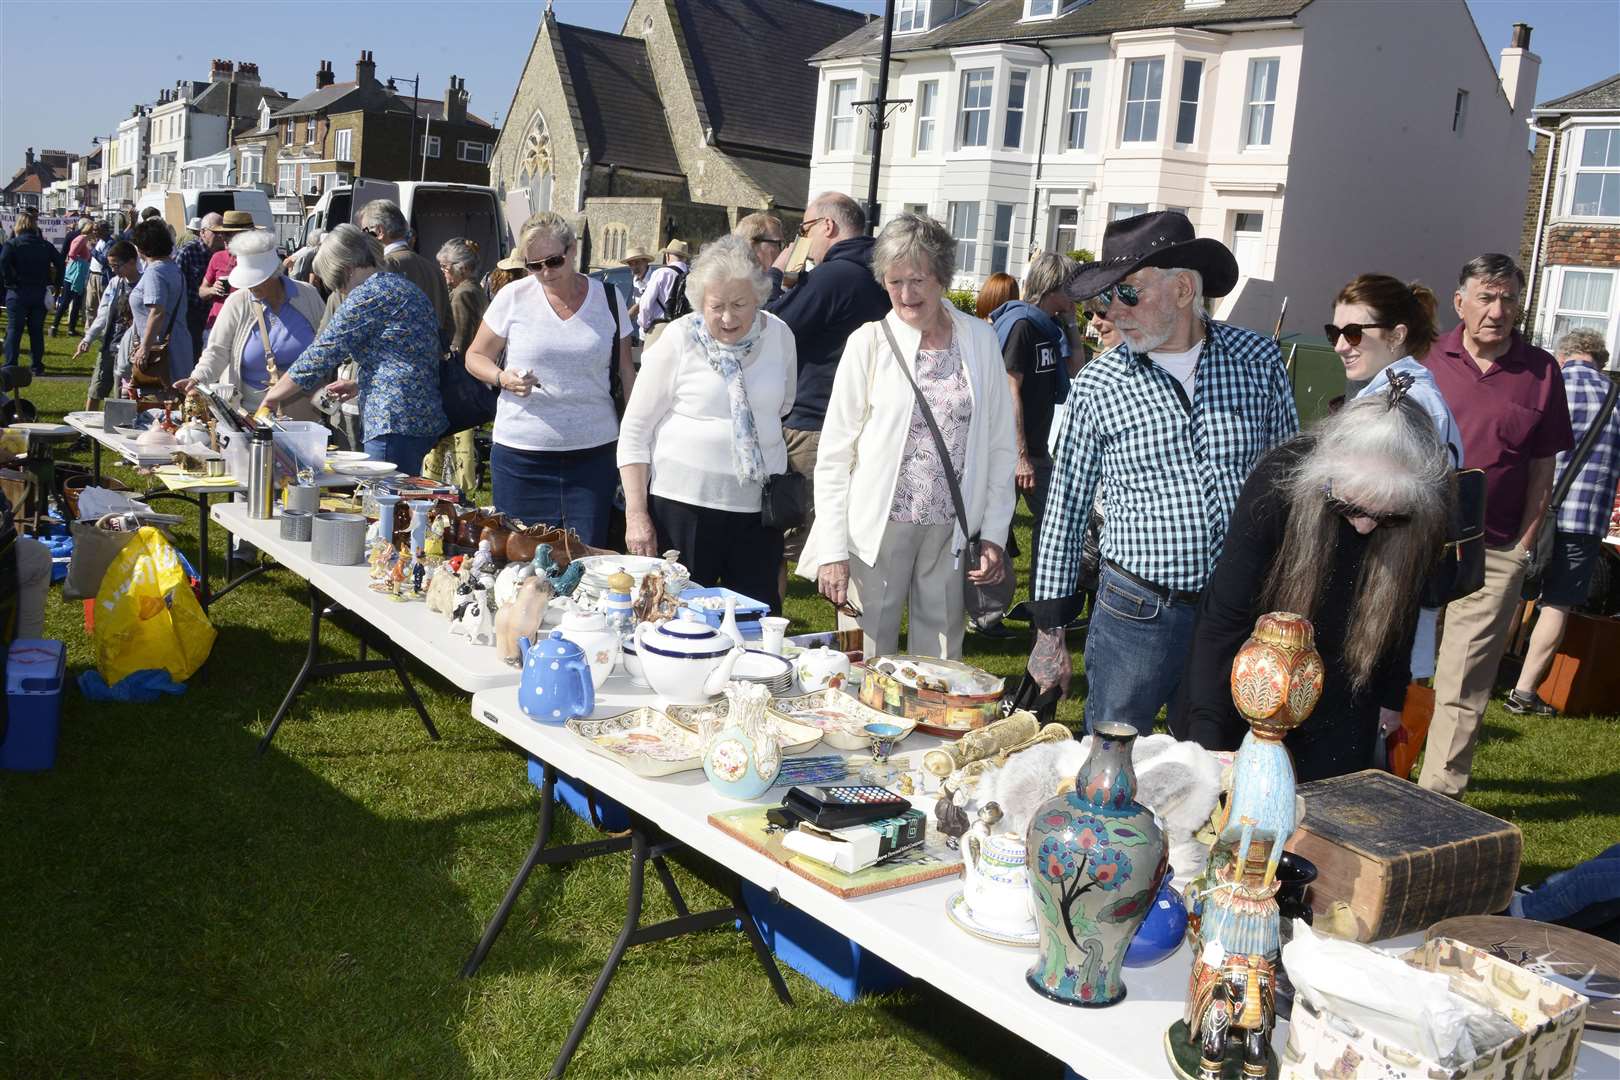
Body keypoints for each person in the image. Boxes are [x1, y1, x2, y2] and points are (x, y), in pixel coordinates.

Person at [1024, 211, 1299, 734]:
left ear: (1182, 289)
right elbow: (1064, 512)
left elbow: (1286, 486)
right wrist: (1050, 632)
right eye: (1105, 298)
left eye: (1127, 293)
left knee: (1211, 771)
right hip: (1135, 612)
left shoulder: (1258, 361)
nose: (1111, 312)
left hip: (1235, 614)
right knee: (1111, 763)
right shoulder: (1098, 385)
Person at [1172, 388, 1453, 782]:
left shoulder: (1423, 514)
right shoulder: (1277, 484)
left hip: (1347, 696)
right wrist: (1208, 741)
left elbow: (1399, 617)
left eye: (1389, 518)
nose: (1365, 526)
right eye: (1349, 509)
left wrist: (1393, 699)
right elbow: (1223, 620)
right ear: (1325, 475)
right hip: (1249, 687)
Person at [798, 212, 1015, 660]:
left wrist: (993, 531)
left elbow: (999, 445)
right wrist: (833, 548)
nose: (905, 294)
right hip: (875, 528)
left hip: (952, 524)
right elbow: (836, 454)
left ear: (942, 277)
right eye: (893, 282)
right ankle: (860, 730)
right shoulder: (869, 342)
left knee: (938, 659)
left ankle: (929, 727)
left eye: (916, 280)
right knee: (863, 655)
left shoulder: (979, 339)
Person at [1418, 254, 1573, 797]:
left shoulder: (1541, 371)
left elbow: (1543, 467)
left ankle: (1437, 799)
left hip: (1495, 550)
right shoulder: (1425, 356)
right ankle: (1373, 775)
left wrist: (1525, 547)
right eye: (1486, 296)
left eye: (1508, 298)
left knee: (1463, 683)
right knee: (1393, 668)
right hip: (1413, 543)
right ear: (1460, 301)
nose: (1497, 309)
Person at [618, 235, 797, 608]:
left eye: (740, 304)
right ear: (701, 302)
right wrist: (636, 515)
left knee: (754, 617)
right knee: (672, 617)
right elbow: (635, 429)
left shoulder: (780, 335)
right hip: (681, 509)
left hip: (757, 513)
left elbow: (783, 404)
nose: (728, 318)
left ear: (759, 298)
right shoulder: (679, 338)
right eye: (717, 306)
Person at [463, 213, 634, 545]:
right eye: (533, 266)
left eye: (553, 262)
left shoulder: (609, 299)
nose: (544, 273)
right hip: (522, 455)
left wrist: (636, 435)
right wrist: (502, 377)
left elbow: (627, 371)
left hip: (593, 456)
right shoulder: (513, 297)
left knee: (585, 558)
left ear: (572, 251)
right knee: (517, 561)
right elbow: (475, 356)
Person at [1331, 272, 1464, 681]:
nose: (1339, 345)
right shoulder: (1405, 394)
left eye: (1353, 332)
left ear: (1396, 334)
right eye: (1334, 331)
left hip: (1382, 601)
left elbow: (1374, 513)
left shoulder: (1403, 403)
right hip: (1389, 599)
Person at [766, 191, 892, 580]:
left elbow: (769, 326)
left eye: (805, 230)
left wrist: (777, 274)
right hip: (859, 418)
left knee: (789, 539)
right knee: (839, 533)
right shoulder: (880, 272)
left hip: (812, 421)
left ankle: (778, 629)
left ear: (828, 226)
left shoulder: (834, 275)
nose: (803, 240)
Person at [260, 224, 445, 474]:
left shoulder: (366, 296)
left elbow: (319, 355)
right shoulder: (403, 287)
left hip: (391, 419)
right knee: (403, 499)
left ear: (346, 270)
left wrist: (273, 396)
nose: (339, 291)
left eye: (337, 284)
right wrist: (360, 384)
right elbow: (406, 355)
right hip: (422, 414)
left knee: (384, 501)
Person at [1508, 329, 1620, 715]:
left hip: (1532, 512)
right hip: (1586, 520)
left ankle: (1483, 675)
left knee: (1511, 591)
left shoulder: (1545, 383)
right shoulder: (1616, 399)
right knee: (1557, 604)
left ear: (1564, 353)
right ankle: (1522, 693)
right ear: (1600, 360)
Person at [986, 252, 1079, 623]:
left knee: (1054, 524)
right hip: (1014, 451)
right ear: (1053, 286)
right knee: (996, 529)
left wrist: (1072, 323)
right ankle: (987, 615)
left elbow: (1076, 369)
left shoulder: (1049, 326)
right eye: (1071, 286)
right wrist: (1020, 455)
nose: (1078, 293)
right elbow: (1010, 390)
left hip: (1037, 448)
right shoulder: (1022, 326)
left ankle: (1042, 603)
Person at [178, 229, 327, 415]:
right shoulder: (237, 302)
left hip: (303, 414)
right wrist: (197, 379)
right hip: (248, 414)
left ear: (274, 272)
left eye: (257, 280)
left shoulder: (308, 296)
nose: (250, 286)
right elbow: (216, 351)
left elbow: (328, 346)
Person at [421, 237, 489, 493]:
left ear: (464, 268)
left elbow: (457, 341)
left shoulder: (462, 294)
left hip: (462, 377)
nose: (443, 272)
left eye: (446, 267)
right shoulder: (475, 289)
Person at [359, 200, 453, 348]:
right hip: (431, 363)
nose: (362, 238)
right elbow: (448, 326)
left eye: (364, 231)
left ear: (379, 231)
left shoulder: (382, 268)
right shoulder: (434, 270)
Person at [128, 217, 196, 385]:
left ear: (143, 247)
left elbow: (157, 311)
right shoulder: (173, 268)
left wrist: (144, 348)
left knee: (161, 402)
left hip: (161, 352)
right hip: (178, 343)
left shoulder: (155, 272)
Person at [74, 239, 139, 408]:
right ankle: (86, 432)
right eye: (111, 266)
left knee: (122, 398)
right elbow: (102, 314)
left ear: (132, 262)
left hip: (130, 351)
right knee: (95, 390)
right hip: (109, 345)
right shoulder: (114, 283)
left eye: (117, 265)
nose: (113, 270)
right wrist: (88, 338)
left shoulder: (144, 285)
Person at [1, 211, 64, 375]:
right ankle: (37, 365)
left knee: (14, 330)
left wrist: (9, 281)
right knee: (36, 331)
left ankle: (10, 364)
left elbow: (3, 262)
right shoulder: (45, 245)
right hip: (39, 291)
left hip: (18, 292)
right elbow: (60, 263)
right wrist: (56, 284)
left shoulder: (12, 244)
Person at [196, 210, 255, 343]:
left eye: (228, 234)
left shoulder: (256, 260)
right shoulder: (217, 257)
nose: (222, 237)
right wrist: (212, 290)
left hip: (246, 327)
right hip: (216, 324)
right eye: (221, 233)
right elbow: (201, 291)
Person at [176, 211, 225, 347]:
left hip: (219, 316)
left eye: (224, 232)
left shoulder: (225, 254)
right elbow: (176, 288)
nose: (221, 236)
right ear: (203, 232)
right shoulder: (188, 253)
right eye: (216, 232)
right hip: (193, 316)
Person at [636, 239, 692, 342]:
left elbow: (645, 304)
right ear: (685, 258)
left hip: (660, 329)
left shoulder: (661, 273)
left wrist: (645, 326)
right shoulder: (693, 276)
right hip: (684, 333)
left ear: (667, 256)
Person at [50, 218, 94, 338]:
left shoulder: (85, 240)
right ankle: (55, 326)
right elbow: (72, 254)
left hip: (78, 274)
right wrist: (82, 262)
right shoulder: (81, 239)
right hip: (74, 274)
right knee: (66, 301)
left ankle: (70, 328)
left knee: (75, 302)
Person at [734, 213, 787, 302]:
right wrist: (776, 273)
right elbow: (766, 311)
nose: (782, 251)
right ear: (752, 245)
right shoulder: (731, 282)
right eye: (778, 244)